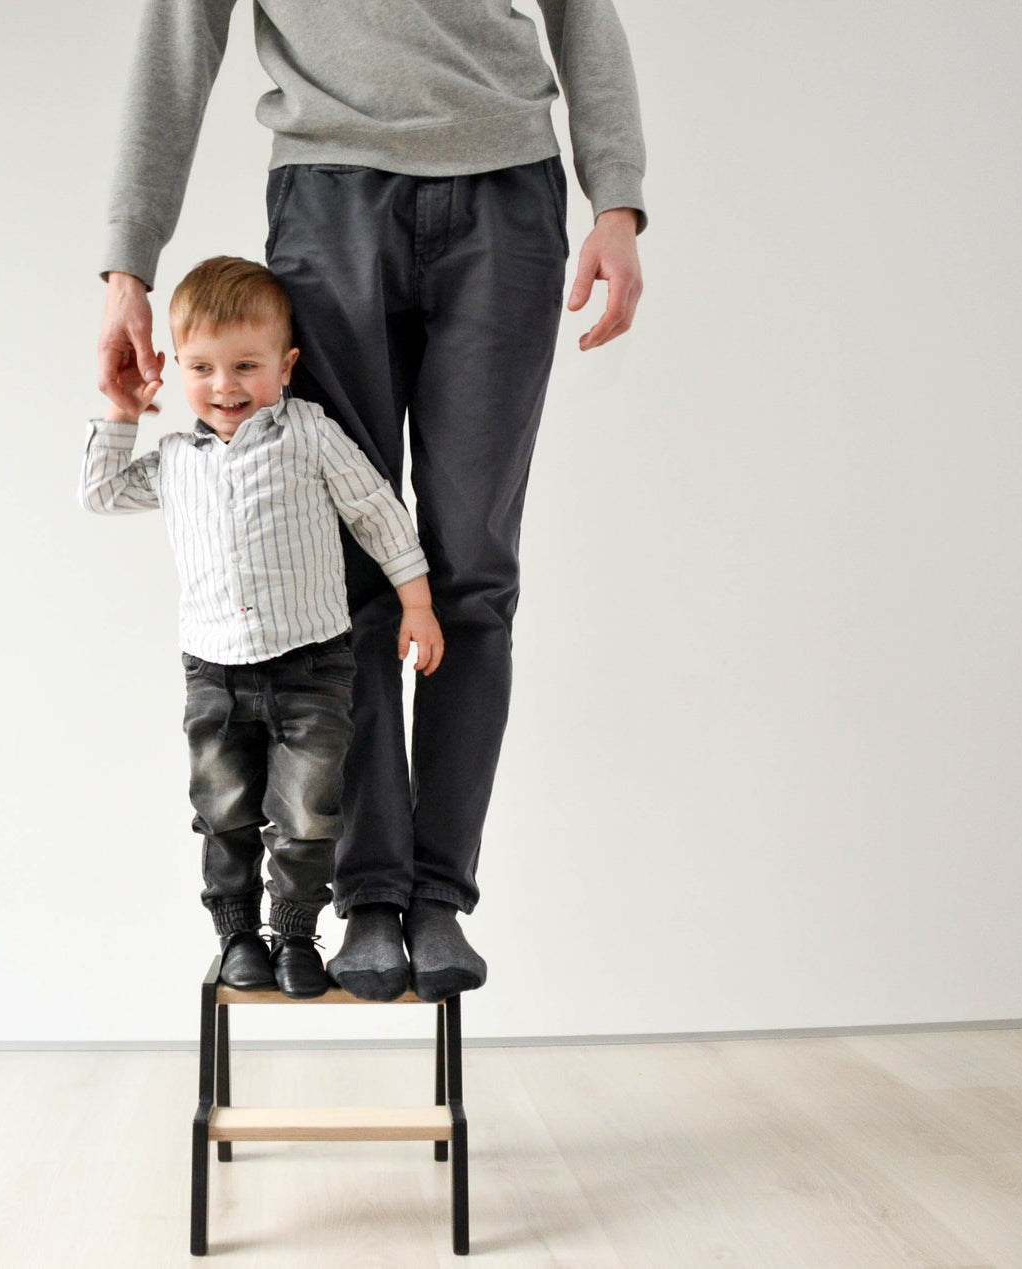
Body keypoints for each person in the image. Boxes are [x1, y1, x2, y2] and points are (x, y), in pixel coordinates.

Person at [97, 1, 648, 1001]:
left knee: (471, 573)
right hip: (328, 192)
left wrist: (615, 197)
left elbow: (580, 10)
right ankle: (366, 894)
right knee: (343, 571)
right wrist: (128, 263)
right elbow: (178, 39)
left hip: (505, 193)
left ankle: (437, 896)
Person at [80, 256, 445, 999]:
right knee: (222, 812)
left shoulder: (308, 432)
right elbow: (101, 493)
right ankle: (238, 933)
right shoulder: (176, 459)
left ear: (286, 364)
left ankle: (297, 933)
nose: (226, 386)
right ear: (176, 366)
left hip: (311, 664)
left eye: (246, 365)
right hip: (213, 670)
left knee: (308, 812)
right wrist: (121, 410)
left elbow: (375, 511)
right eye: (203, 367)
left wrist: (416, 600)